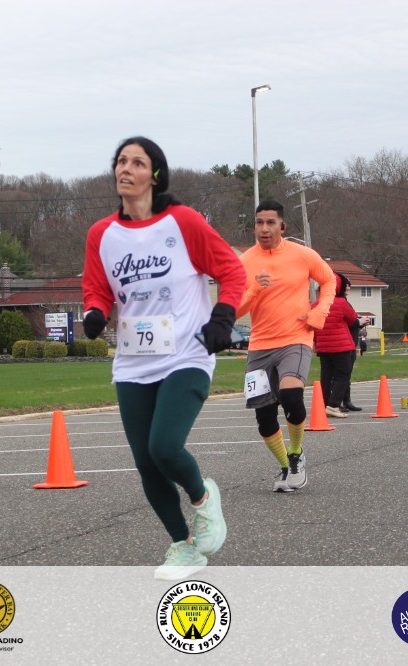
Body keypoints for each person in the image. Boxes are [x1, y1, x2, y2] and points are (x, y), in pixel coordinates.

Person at [82, 137, 246, 580]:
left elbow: (232, 270)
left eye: (137, 162)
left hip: (187, 354)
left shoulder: (183, 221)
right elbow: (97, 287)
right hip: (133, 361)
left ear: (155, 176)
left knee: (164, 447)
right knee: (145, 462)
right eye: (120, 161)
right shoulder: (102, 234)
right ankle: (184, 546)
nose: (126, 168)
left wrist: (223, 316)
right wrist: (95, 311)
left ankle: (203, 497)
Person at [237, 200, 335, 493]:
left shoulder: (303, 255)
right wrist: (255, 289)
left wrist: (319, 313)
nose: (264, 229)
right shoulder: (245, 261)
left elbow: (329, 280)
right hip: (259, 345)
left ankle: (296, 454)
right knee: (264, 416)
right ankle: (284, 465)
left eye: (270, 222)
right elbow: (234, 308)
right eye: (259, 223)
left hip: (296, 338)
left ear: (282, 226)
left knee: (292, 395)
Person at [314, 273, 369, 418]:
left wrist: (315, 343)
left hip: (323, 347)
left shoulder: (316, 304)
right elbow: (353, 320)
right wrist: (362, 321)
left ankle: (325, 404)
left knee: (326, 376)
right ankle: (334, 405)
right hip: (341, 346)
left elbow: (313, 324)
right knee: (343, 374)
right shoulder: (340, 302)